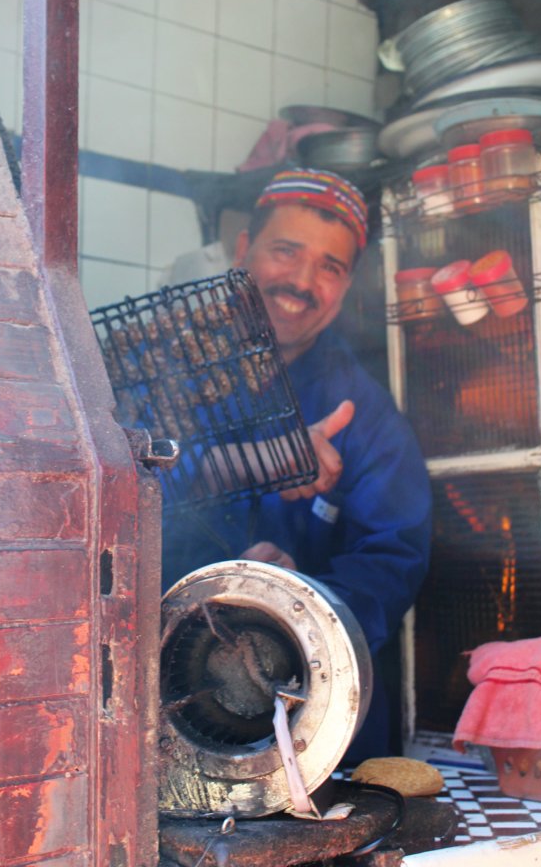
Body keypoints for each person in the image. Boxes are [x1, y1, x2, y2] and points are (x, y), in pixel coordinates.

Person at [161, 167, 432, 761]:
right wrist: (258, 462)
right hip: (161, 702)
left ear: (348, 284)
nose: (303, 281)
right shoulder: (164, 365)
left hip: (317, 728)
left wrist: (299, 600)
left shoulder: (362, 410)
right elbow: (112, 485)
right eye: (286, 251)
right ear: (242, 251)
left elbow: (394, 557)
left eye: (330, 267)